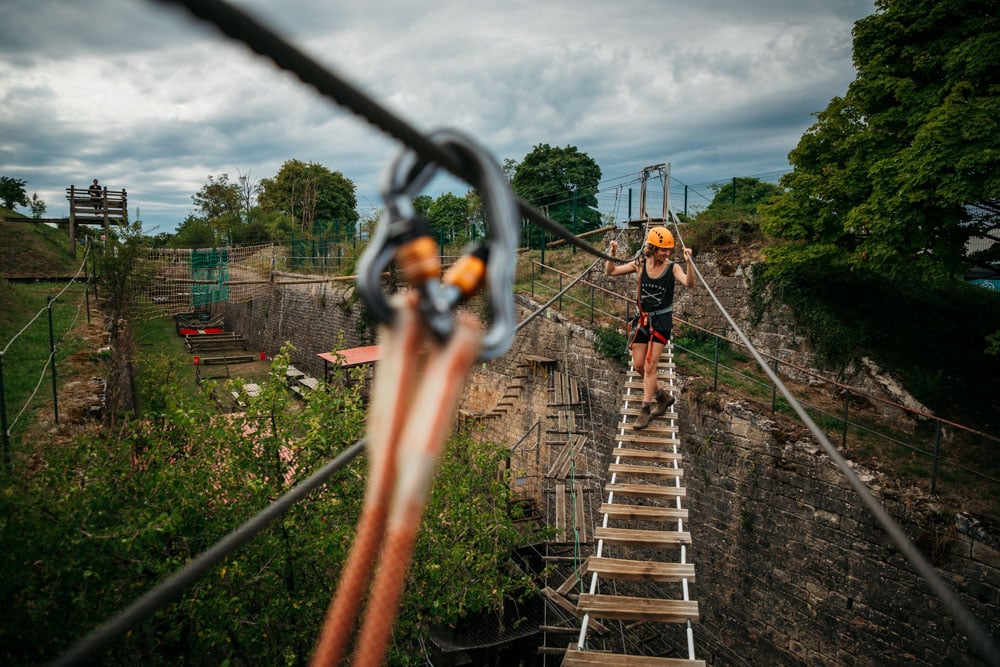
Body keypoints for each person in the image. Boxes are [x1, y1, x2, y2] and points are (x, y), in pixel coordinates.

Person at [605, 226, 696, 430]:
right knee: (638, 365)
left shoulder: (672, 268)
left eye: (669, 250)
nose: (667, 253)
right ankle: (662, 397)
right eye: (663, 250)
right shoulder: (639, 264)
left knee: (649, 366)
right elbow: (611, 271)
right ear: (653, 248)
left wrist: (689, 264)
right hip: (642, 320)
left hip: (662, 322)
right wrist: (612, 253)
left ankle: (645, 410)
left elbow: (689, 283)